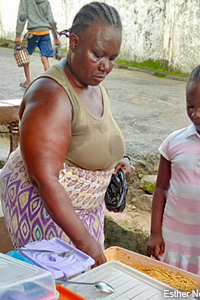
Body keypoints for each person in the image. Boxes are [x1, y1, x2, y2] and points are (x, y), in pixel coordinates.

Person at [0, 1, 131, 267]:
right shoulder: (51, 96)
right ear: (73, 42)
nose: (105, 66)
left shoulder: (93, 82)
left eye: (112, 59)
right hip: (48, 209)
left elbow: (98, 135)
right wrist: (84, 242)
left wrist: (118, 160)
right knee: (61, 282)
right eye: (98, 55)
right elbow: (44, 179)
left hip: (84, 212)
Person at [147, 60, 200, 282]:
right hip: (173, 243)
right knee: (171, 291)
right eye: (190, 106)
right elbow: (161, 189)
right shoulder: (174, 141)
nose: (196, 114)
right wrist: (155, 232)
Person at [14, 0, 61, 89]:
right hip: (45, 32)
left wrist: (18, 35)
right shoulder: (46, 2)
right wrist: (56, 37)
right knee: (45, 57)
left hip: (33, 33)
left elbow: (22, 17)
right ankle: (48, 82)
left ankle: (28, 82)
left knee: (24, 54)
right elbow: (51, 21)